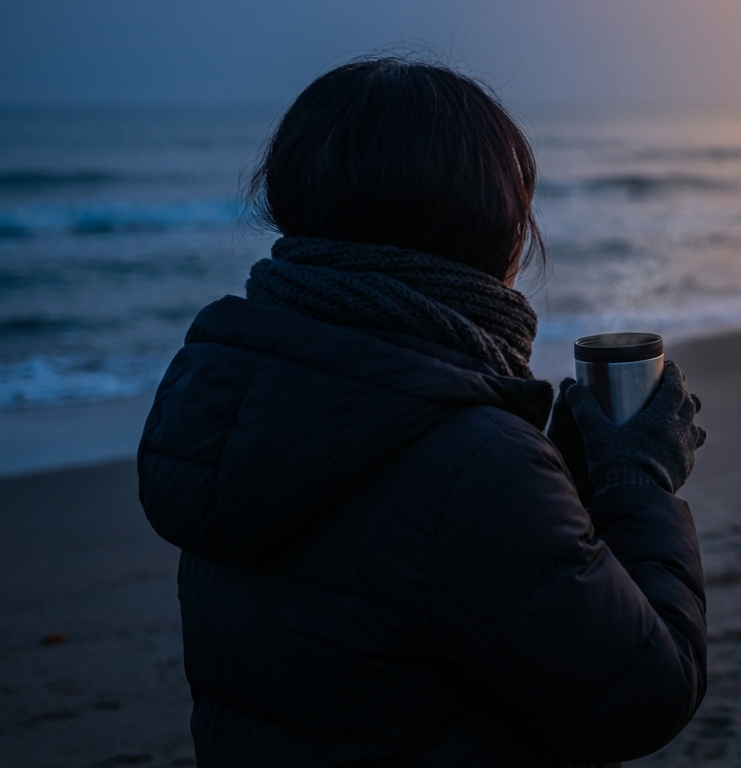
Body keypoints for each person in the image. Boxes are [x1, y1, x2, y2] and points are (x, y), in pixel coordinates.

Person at [138, 57, 707, 767]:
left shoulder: (236, 397)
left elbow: (388, 598)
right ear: (495, 222)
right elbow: (646, 692)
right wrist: (639, 481)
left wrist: (561, 480)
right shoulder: (474, 461)